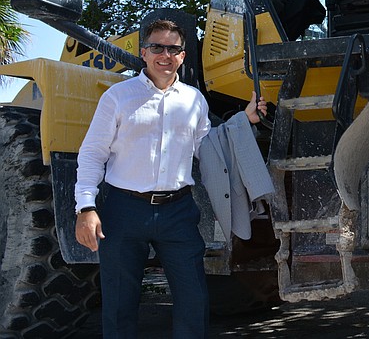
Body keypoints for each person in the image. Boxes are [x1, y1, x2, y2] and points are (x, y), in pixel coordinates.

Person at [74, 19, 267, 338]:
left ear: (183, 55)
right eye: (157, 47)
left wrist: (243, 120)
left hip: (178, 212)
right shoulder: (118, 97)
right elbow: (93, 153)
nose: (165, 54)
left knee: (193, 299)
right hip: (123, 210)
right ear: (144, 52)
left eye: (173, 48)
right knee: (120, 303)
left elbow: (209, 147)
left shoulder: (194, 100)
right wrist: (85, 208)